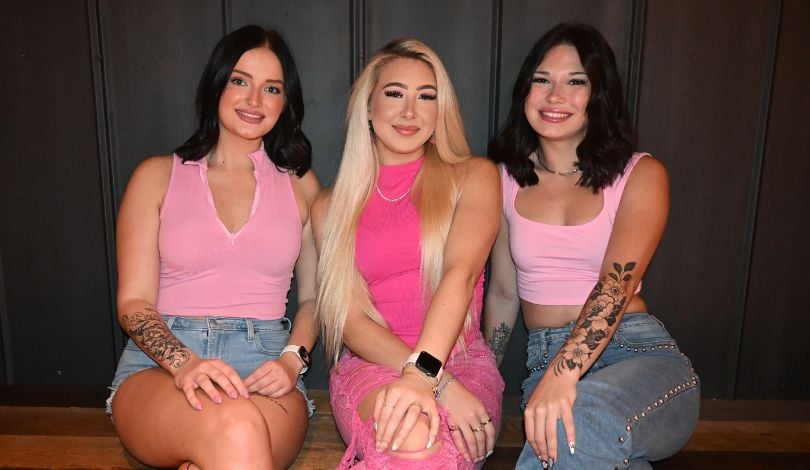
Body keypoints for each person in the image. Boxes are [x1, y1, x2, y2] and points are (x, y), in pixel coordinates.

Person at [485, 23, 700, 469]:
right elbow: (504, 293)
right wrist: (485, 377)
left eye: (575, 82)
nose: (554, 95)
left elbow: (616, 286)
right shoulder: (505, 179)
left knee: (574, 427)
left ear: (599, 94)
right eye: (541, 80)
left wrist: (565, 374)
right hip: (546, 362)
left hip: (639, 358)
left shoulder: (640, 174)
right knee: (581, 444)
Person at [107, 25, 320, 469]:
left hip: (266, 367)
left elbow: (316, 297)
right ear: (217, 84)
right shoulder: (156, 176)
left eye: (272, 88)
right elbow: (133, 303)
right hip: (161, 366)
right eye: (240, 80)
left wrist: (292, 361)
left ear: (286, 103)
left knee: (236, 433)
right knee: (235, 431)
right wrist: (184, 364)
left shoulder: (301, 187)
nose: (254, 100)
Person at [313, 38, 504, 469]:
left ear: (441, 113)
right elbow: (350, 322)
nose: (409, 111)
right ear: (367, 106)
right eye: (395, 93)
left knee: (422, 448)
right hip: (372, 364)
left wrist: (427, 375)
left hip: (459, 358)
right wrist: (435, 384)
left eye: (427, 97)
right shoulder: (329, 207)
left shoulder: (473, 176)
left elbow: (460, 275)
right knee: (413, 441)